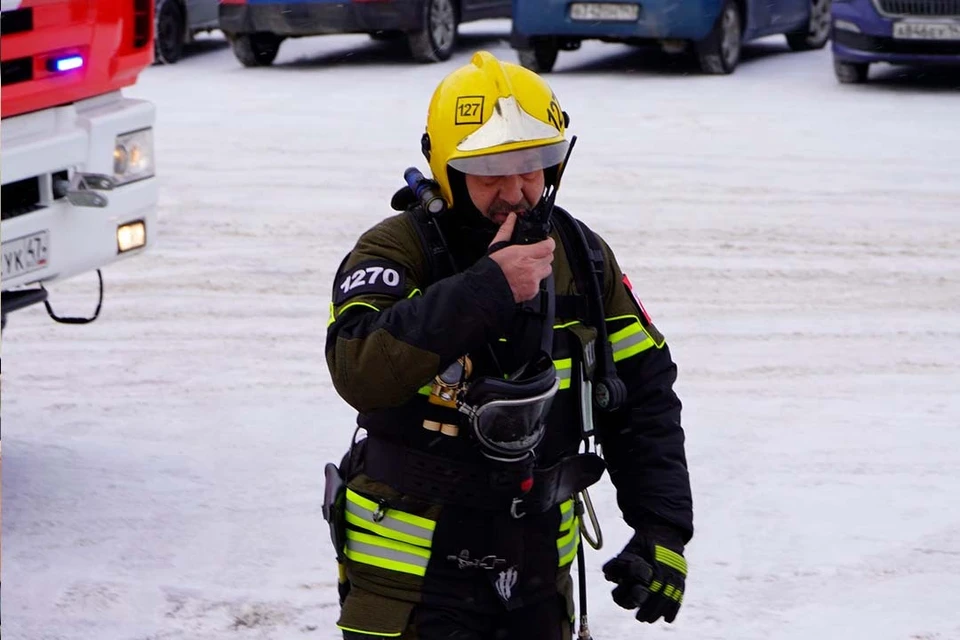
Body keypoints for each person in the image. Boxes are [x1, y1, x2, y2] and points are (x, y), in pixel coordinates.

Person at [324, 51, 693, 640]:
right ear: (445, 168)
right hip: (410, 580)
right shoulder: (395, 251)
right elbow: (358, 368)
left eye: (534, 166)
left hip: (539, 573)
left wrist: (663, 528)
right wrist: (486, 289)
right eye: (491, 169)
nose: (517, 191)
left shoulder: (582, 256)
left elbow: (644, 392)